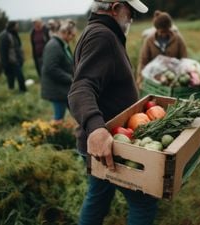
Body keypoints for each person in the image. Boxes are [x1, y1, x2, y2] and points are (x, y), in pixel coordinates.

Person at [67, 1, 158, 225]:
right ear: (116, 8)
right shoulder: (103, 36)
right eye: (131, 11)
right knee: (144, 203)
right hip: (108, 144)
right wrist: (96, 128)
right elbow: (81, 87)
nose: (133, 18)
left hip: (106, 144)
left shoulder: (99, 31)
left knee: (98, 196)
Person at [137, 10, 188, 87]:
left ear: (169, 28)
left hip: (173, 79)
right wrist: (140, 79)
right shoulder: (149, 40)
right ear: (156, 29)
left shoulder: (178, 39)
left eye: (166, 31)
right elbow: (143, 61)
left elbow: (184, 58)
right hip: (154, 78)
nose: (163, 34)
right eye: (161, 31)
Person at [41, 20, 76, 123]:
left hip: (63, 87)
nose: (73, 38)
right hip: (56, 89)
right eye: (72, 35)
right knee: (59, 117)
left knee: (76, 112)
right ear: (65, 32)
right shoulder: (53, 46)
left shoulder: (62, 44)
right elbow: (51, 68)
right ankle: (53, 136)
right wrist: (70, 78)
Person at [0, 21, 27, 92]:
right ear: (12, 27)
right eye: (16, 26)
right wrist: (5, 64)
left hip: (16, 59)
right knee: (18, 76)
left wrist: (21, 58)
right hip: (11, 60)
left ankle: (12, 90)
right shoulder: (4, 36)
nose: (18, 27)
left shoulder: (14, 34)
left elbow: (18, 46)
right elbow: (2, 51)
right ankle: (22, 90)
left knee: (12, 76)